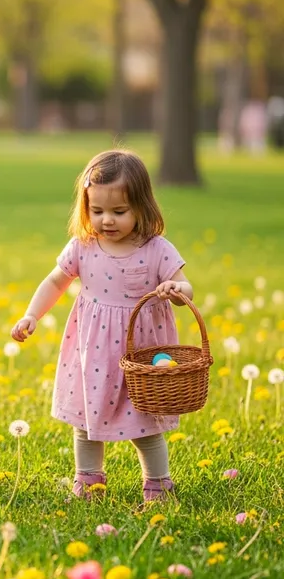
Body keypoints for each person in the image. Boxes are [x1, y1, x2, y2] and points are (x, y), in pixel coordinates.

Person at [11, 150, 193, 504]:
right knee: (86, 421)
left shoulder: (156, 249)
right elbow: (55, 281)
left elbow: (186, 288)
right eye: (97, 211)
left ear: (141, 207)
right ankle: (89, 483)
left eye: (119, 211)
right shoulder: (83, 246)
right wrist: (32, 314)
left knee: (146, 425)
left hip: (141, 356)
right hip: (93, 354)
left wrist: (176, 290)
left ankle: (158, 485)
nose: (107, 220)